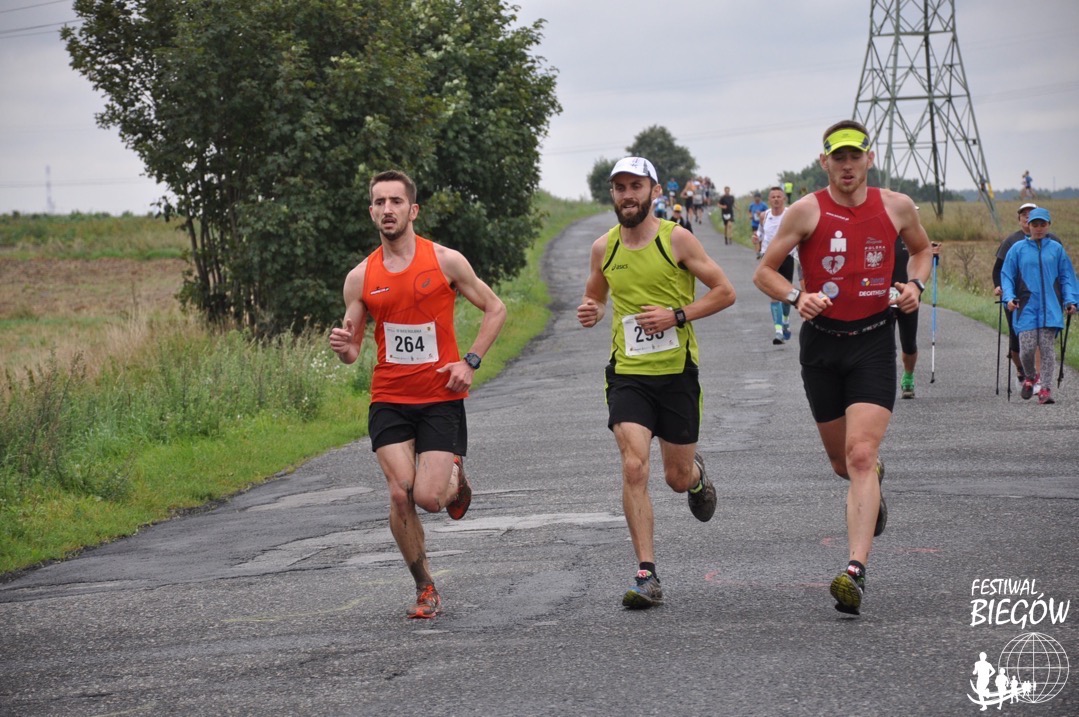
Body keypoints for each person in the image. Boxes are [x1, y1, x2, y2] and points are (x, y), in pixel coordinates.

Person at [752, 120, 932, 616]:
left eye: (855, 156)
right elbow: (764, 272)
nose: (847, 166)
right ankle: (869, 483)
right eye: (838, 158)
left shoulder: (897, 206)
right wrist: (796, 297)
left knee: (860, 454)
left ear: (869, 159)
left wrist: (915, 286)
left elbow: (921, 251)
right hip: (822, 348)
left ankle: (854, 571)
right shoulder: (805, 211)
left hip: (873, 342)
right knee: (842, 463)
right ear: (824, 162)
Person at [329, 169, 507, 619]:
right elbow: (352, 351)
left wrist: (470, 362)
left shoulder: (445, 261)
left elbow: (495, 308)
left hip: (440, 396)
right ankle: (425, 586)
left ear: (413, 210)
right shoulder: (360, 277)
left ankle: (454, 477)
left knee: (428, 498)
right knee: (398, 493)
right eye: (379, 202)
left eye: (395, 201)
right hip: (389, 397)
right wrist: (344, 347)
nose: (387, 209)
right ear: (371, 211)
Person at [577, 156, 736, 610]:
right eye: (620, 187)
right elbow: (595, 296)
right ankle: (647, 574)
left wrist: (676, 315)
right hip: (628, 375)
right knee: (633, 466)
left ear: (655, 191)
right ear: (612, 194)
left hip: (676, 373)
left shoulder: (676, 239)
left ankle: (696, 476)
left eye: (636, 186)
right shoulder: (603, 248)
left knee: (675, 477)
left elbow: (725, 291)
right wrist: (591, 310)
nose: (627, 195)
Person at [1001, 207, 1079, 405]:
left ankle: (1045, 388)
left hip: (1051, 309)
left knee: (1046, 349)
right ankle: (1030, 377)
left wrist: (1071, 301)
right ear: (1029, 225)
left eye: (1042, 224)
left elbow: (1067, 277)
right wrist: (1008, 298)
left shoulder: (1057, 250)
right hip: (1025, 308)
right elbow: (1007, 276)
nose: (1038, 228)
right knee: (1026, 349)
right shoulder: (1017, 249)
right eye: (1035, 224)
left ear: (1048, 225)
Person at [992, 203, 1059, 391]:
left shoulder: (1053, 242)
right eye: (1025, 215)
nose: (1029, 218)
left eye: (1033, 215)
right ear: (1021, 220)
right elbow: (999, 269)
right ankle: (1022, 370)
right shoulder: (1011, 242)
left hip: (1044, 300)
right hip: (1016, 299)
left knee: (1040, 340)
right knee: (1017, 343)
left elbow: (1061, 269)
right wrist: (999, 287)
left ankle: (1038, 380)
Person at [891, 234, 939, 398]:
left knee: (908, 342)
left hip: (909, 296)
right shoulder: (881, 233)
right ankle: (884, 380)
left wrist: (933, 255)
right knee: (884, 343)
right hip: (883, 296)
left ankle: (908, 376)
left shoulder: (913, 236)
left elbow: (924, 258)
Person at [754, 187, 795, 344]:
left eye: (779, 196)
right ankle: (778, 331)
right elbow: (760, 233)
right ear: (769, 200)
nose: (776, 199)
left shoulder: (790, 214)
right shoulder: (764, 216)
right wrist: (756, 237)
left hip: (787, 256)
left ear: (784, 198)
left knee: (787, 294)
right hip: (769, 258)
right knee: (774, 294)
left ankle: (785, 320)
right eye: (773, 197)